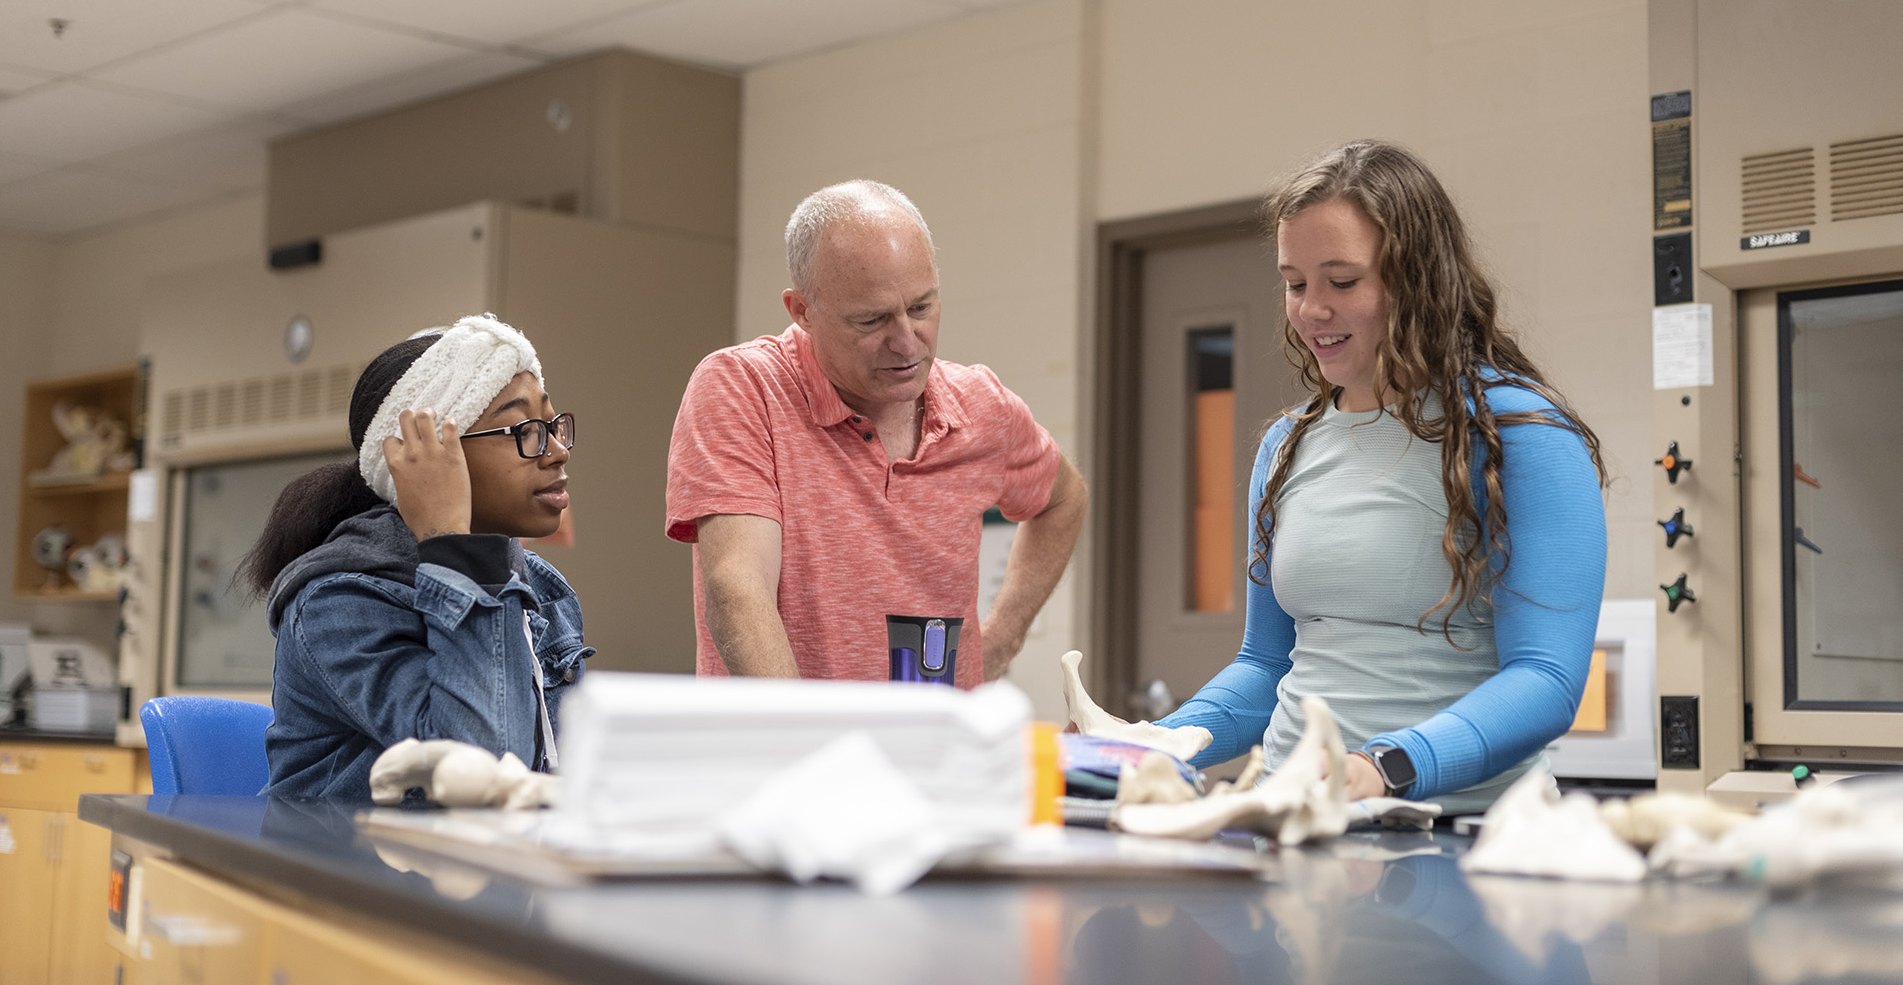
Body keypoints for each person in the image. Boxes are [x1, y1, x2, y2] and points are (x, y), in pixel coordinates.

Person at [1156, 141, 1607, 815]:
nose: (1311, 309)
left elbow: (1545, 680)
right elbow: (1265, 667)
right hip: (1301, 828)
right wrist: (1155, 745)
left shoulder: (1521, 436)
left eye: (1342, 282)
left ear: (1417, 279)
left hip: (1463, 837)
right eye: (1294, 282)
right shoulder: (1286, 447)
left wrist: (1382, 767)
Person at [665, 180, 1088, 686]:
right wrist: (814, 752)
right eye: (872, 320)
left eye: (922, 307)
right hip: (788, 756)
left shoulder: (981, 408)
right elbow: (738, 591)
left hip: (936, 756)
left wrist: (1000, 641)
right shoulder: (744, 389)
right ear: (801, 311)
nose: (907, 342)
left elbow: (1064, 500)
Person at [244, 314, 589, 800]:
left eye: (552, 425)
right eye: (521, 430)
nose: (555, 451)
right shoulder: (339, 600)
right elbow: (482, 771)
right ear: (427, 461)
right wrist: (450, 538)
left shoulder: (542, 587)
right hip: (351, 872)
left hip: (494, 868)